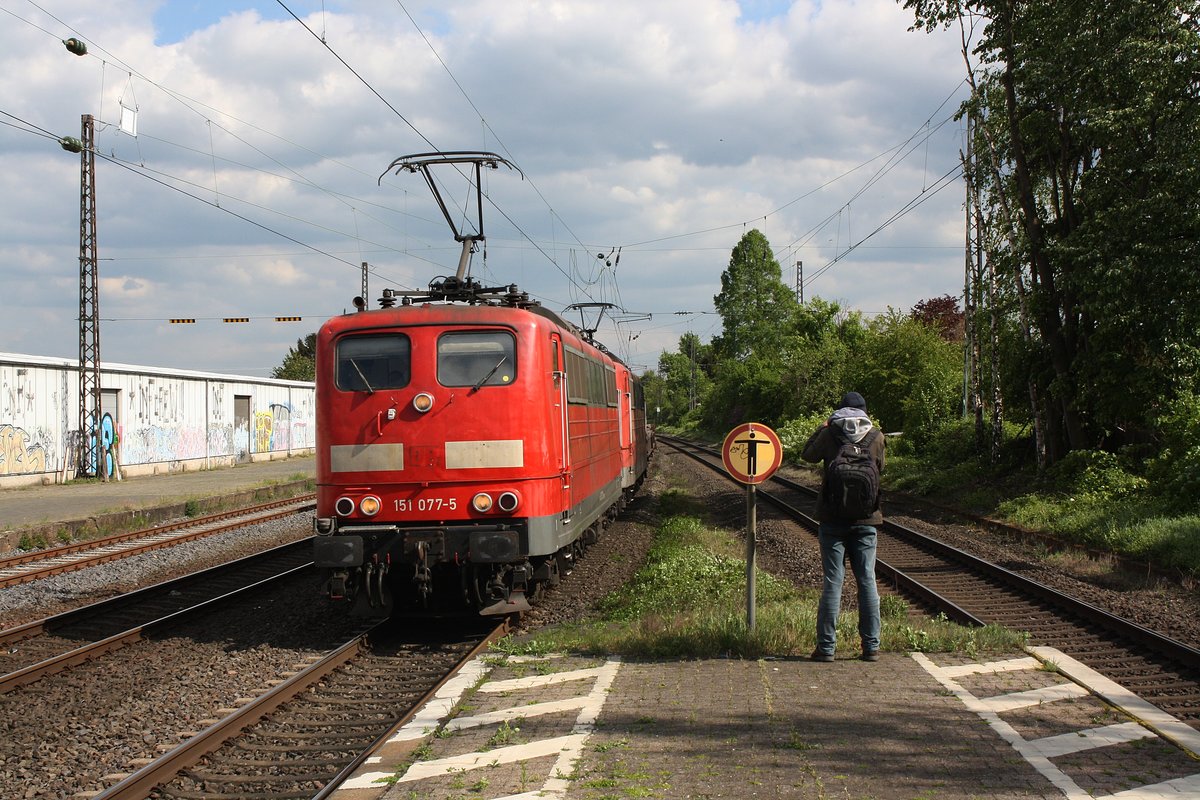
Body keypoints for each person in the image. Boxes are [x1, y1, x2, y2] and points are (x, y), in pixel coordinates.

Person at [801, 391, 885, 662]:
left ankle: (826, 648)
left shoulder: (830, 434)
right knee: (867, 580)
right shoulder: (877, 436)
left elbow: (807, 455)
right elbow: (880, 469)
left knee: (833, 582)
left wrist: (822, 427)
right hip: (866, 520)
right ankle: (871, 647)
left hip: (832, 519)